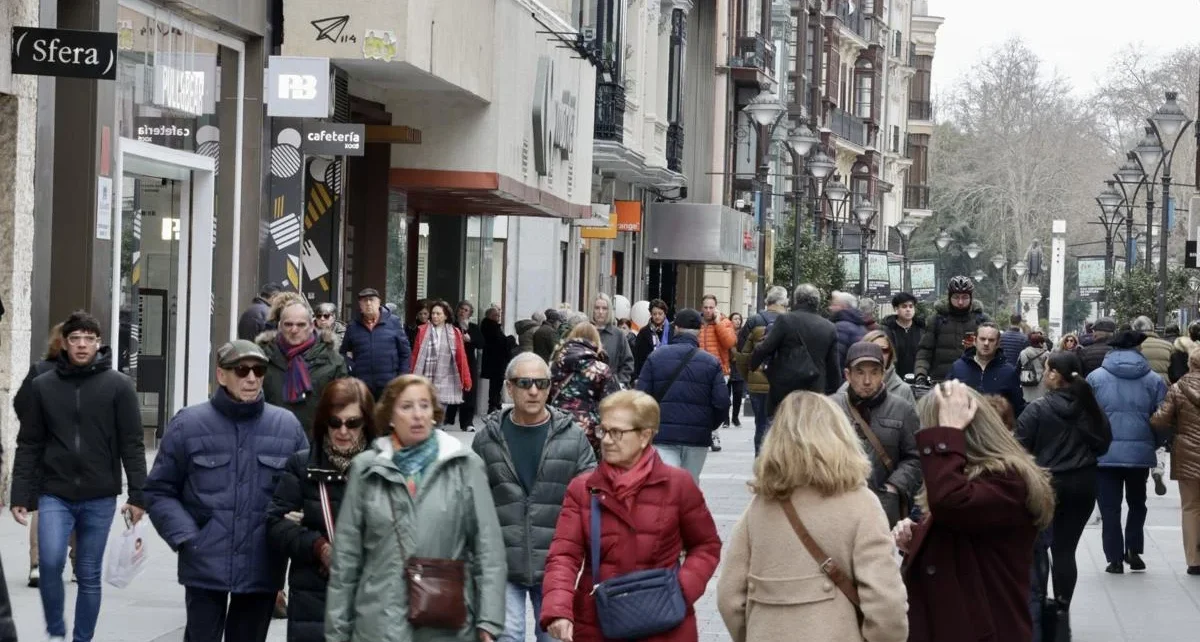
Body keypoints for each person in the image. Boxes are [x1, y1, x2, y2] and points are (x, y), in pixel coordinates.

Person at [143, 340, 308, 642]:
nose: (251, 378)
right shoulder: (189, 424)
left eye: (258, 370)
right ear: (221, 375)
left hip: (262, 565)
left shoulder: (286, 426)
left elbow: (305, 491)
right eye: (241, 370)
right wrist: (186, 537)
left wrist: (291, 527)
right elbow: (158, 490)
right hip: (205, 561)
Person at [323, 375, 506, 642]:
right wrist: (337, 632)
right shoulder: (366, 469)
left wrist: (488, 621)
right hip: (378, 625)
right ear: (390, 416)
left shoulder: (464, 466)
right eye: (407, 407)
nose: (417, 415)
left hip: (446, 624)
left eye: (424, 405)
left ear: (434, 413)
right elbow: (346, 560)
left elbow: (488, 550)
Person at [717, 392, 909, 642]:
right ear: (839, 436)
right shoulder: (861, 504)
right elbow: (887, 605)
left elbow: (729, 597)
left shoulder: (760, 507)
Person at [540, 390, 722, 642]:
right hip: (598, 624)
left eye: (617, 432)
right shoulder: (583, 489)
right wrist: (558, 609)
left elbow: (706, 545)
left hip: (665, 625)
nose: (606, 440)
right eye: (603, 430)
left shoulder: (678, 484)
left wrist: (681, 591)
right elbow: (563, 555)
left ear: (645, 435)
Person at [11, 311, 147, 642]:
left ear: (99, 343)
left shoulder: (119, 386)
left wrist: (139, 496)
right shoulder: (44, 386)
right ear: (64, 343)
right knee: (51, 563)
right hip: (54, 491)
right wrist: (19, 495)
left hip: (100, 494)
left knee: (87, 573)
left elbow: (132, 442)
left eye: (89, 338)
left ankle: (82, 638)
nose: (82, 344)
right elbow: (29, 442)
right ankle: (56, 631)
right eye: (75, 339)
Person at [892, 381, 1055, 642]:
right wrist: (917, 536)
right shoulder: (964, 478)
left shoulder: (1008, 480)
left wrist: (946, 432)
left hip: (985, 629)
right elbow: (960, 529)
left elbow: (952, 504)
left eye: (930, 431)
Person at [472, 353, 598, 642]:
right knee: (508, 637)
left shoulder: (572, 437)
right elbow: (472, 505)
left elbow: (591, 498)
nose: (533, 390)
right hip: (503, 563)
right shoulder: (487, 439)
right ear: (509, 387)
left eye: (541, 384)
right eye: (525, 382)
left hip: (556, 567)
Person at [266, 378, 379, 642]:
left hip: (369, 594)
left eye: (353, 423)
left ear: (366, 424)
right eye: (334, 422)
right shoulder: (302, 464)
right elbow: (275, 523)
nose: (343, 431)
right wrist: (319, 547)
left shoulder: (383, 466)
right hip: (313, 597)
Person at [1017, 352, 1113, 617]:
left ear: (1054, 374)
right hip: (1083, 483)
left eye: (1047, 370)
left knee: (1038, 548)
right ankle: (1061, 608)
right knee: (1065, 549)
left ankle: (1037, 606)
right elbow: (1104, 443)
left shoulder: (1037, 408)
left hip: (1045, 484)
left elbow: (1017, 447)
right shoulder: (1091, 408)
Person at [1086, 330, 1168, 573]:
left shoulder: (1095, 378)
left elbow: (1086, 416)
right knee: (1137, 502)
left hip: (1104, 453)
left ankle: (1114, 558)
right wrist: (1155, 442)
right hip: (1139, 452)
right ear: (1137, 350)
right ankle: (1134, 549)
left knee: (1109, 507)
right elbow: (1162, 418)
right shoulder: (1154, 380)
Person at [832, 342, 922, 526]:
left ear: (883, 374)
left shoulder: (902, 409)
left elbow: (916, 457)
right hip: (838, 503)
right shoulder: (831, 408)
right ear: (848, 375)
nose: (867, 380)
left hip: (883, 508)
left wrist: (894, 487)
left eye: (874, 372)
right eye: (860, 372)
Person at [636, 308, 729, 481]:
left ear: (676, 328)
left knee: (666, 487)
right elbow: (722, 402)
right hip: (697, 437)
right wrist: (708, 425)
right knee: (689, 486)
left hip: (662, 435)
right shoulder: (711, 362)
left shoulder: (656, 357)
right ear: (699, 332)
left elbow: (640, 398)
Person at [11, 322, 70, 588]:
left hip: (51, 449)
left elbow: (19, 403)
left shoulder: (40, 370)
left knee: (46, 508)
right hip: (65, 451)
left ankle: (37, 564)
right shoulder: (44, 371)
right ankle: (74, 561)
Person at [257, 292, 349, 436]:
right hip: (272, 445)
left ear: (312, 326)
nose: (294, 330)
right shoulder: (262, 358)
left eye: (300, 325)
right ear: (280, 325)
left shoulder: (333, 362)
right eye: (288, 324)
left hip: (315, 445)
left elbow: (343, 409)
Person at [749, 284, 842, 413]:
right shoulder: (829, 327)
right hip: (815, 390)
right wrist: (833, 393)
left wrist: (752, 366)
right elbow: (833, 367)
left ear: (796, 300)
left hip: (785, 390)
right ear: (817, 303)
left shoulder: (786, 320)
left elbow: (765, 348)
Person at [1150, 347, 1200, 575]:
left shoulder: (1178, 388)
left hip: (1188, 454)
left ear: (1191, 363)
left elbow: (1161, 420)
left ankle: (1194, 560)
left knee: (1191, 507)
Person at [549, 324, 621, 454]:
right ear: (596, 341)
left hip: (555, 425)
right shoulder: (601, 369)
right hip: (588, 431)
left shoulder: (554, 365)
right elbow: (613, 404)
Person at [735, 286, 788, 455]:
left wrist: (749, 376)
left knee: (761, 425)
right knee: (781, 427)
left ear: (767, 301)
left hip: (757, 384)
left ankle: (760, 466)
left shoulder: (754, 321)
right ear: (784, 302)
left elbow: (742, 354)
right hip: (781, 384)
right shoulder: (790, 322)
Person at [411, 300, 474, 430]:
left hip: (446, 377)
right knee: (426, 411)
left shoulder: (454, 332)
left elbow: (461, 357)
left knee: (439, 415)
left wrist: (467, 380)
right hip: (426, 377)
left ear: (446, 316)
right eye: (433, 313)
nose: (434, 316)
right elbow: (415, 355)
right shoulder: (422, 331)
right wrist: (410, 375)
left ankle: (436, 434)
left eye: (438, 314)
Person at [914, 275, 989, 383]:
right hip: (942, 382)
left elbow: (995, 352)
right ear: (949, 297)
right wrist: (921, 375)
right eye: (956, 297)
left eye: (964, 297)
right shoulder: (936, 320)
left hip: (974, 383)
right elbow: (925, 352)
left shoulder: (982, 320)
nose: (960, 302)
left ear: (971, 298)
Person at [340, 287, 412, 399]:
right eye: (364, 301)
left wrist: (401, 378)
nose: (368, 304)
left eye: (371, 300)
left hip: (390, 384)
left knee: (386, 416)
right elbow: (343, 353)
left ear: (379, 302)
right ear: (360, 305)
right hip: (362, 385)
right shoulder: (353, 326)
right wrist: (353, 368)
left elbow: (405, 352)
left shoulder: (393, 322)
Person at [946, 322, 1026, 416]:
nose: (986, 343)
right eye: (982, 339)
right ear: (975, 341)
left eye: (991, 340)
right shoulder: (958, 367)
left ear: (997, 343)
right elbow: (946, 401)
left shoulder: (1009, 372)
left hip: (996, 428)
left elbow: (1018, 408)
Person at [836, 329, 917, 407]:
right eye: (873, 349)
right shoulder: (845, 391)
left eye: (884, 350)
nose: (879, 354)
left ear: (890, 353)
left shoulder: (903, 391)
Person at [592, 294, 635, 387]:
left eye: (604, 308)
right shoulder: (587, 332)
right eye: (597, 308)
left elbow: (628, 362)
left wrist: (620, 382)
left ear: (609, 311)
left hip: (612, 389)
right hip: (590, 389)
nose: (600, 312)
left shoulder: (618, 335)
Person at [454, 300, 485, 430]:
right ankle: (447, 419)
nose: (462, 312)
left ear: (470, 314)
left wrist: (470, 339)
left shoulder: (473, 327)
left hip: (469, 361)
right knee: (451, 389)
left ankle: (467, 422)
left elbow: (482, 343)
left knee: (469, 391)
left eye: (466, 310)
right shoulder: (451, 325)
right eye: (461, 309)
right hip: (453, 361)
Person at [882, 291, 925, 379]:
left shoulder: (922, 329)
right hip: (895, 379)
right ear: (896, 309)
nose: (908, 309)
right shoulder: (888, 330)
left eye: (911, 306)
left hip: (918, 379)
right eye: (904, 306)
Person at [481, 306, 510, 413]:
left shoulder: (493, 326)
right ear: (490, 316)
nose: (498, 317)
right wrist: (509, 340)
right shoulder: (490, 326)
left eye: (498, 315)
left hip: (496, 360)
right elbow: (499, 342)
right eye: (495, 315)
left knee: (497, 383)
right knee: (495, 384)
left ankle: (496, 403)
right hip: (495, 360)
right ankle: (493, 404)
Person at [633, 298, 672, 378]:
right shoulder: (643, 332)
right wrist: (636, 377)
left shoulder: (672, 330)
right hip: (648, 373)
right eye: (654, 314)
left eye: (660, 313)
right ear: (651, 314)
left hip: (668, 373)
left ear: (665, 314)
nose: (657, 316)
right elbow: (637, 356)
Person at [829, 291, 868, 370]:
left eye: (834, 305)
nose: (830, 308)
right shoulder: (861, 325)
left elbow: (836, 360)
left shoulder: (840, 327)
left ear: (844, 307)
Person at [1132, 315, 1173, 381]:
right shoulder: (1168, 346)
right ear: (1153, 328)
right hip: (1163, 387)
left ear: (1135, 330)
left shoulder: (1131, 347)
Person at [1018, 331, 1051, 402]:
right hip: (1041, 383)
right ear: (1040, 343)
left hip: (1027, 380)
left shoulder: (1023, 353)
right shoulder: (1047, 354)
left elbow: (1018, 367)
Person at [727, 312, 746, 427]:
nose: (737, 321)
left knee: (738, 394)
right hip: (727, 366)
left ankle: (735, 417)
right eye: (735, 319)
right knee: (726, 395)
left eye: (739, 319)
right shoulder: (726, 333)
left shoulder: (743, 334)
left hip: (738, 367)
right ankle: (726, 419)